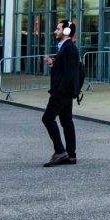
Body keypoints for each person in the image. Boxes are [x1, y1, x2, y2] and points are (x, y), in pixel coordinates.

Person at [41, 21, 80, 167]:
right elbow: (65, 67)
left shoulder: (68, 48)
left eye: (58, 29)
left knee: (47, 118)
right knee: (66, 121)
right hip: (65, 91)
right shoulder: (65, 47)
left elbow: (69, 74)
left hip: (62, 92)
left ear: (66, 31)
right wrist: (54, 62)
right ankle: (71, 155)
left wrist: (59, 91)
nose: (55, 31)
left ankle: (60, 152)